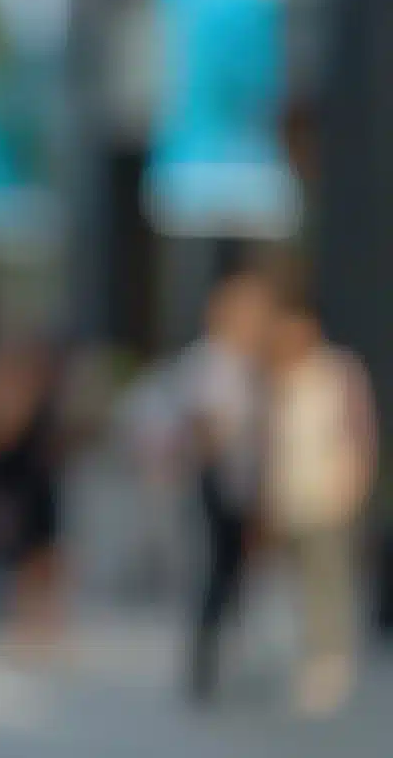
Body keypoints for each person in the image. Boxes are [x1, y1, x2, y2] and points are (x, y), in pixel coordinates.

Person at [260, 261, 377, 717]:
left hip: (331, 491)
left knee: (330, 576)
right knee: (297, 580)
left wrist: (356, 481)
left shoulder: (337, 371)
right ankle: (309, 653)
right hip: (291, 494)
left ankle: (332, 659)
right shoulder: (278, 379)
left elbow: (360, 432)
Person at [176, 262, 276, 704]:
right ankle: (206, 665)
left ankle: (231, 661)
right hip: (218, 482)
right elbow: (203, 424)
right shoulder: (210, 360)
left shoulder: (252, 365)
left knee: (239, 575)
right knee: (217, 574)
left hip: (245, 483)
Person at [0, 331, 73, 661]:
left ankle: (39, 628)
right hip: (16, 492)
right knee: (28, 563)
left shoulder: (40, 401)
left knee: (43, 562)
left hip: (36, 490)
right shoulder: (4, 398)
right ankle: (28, 629)